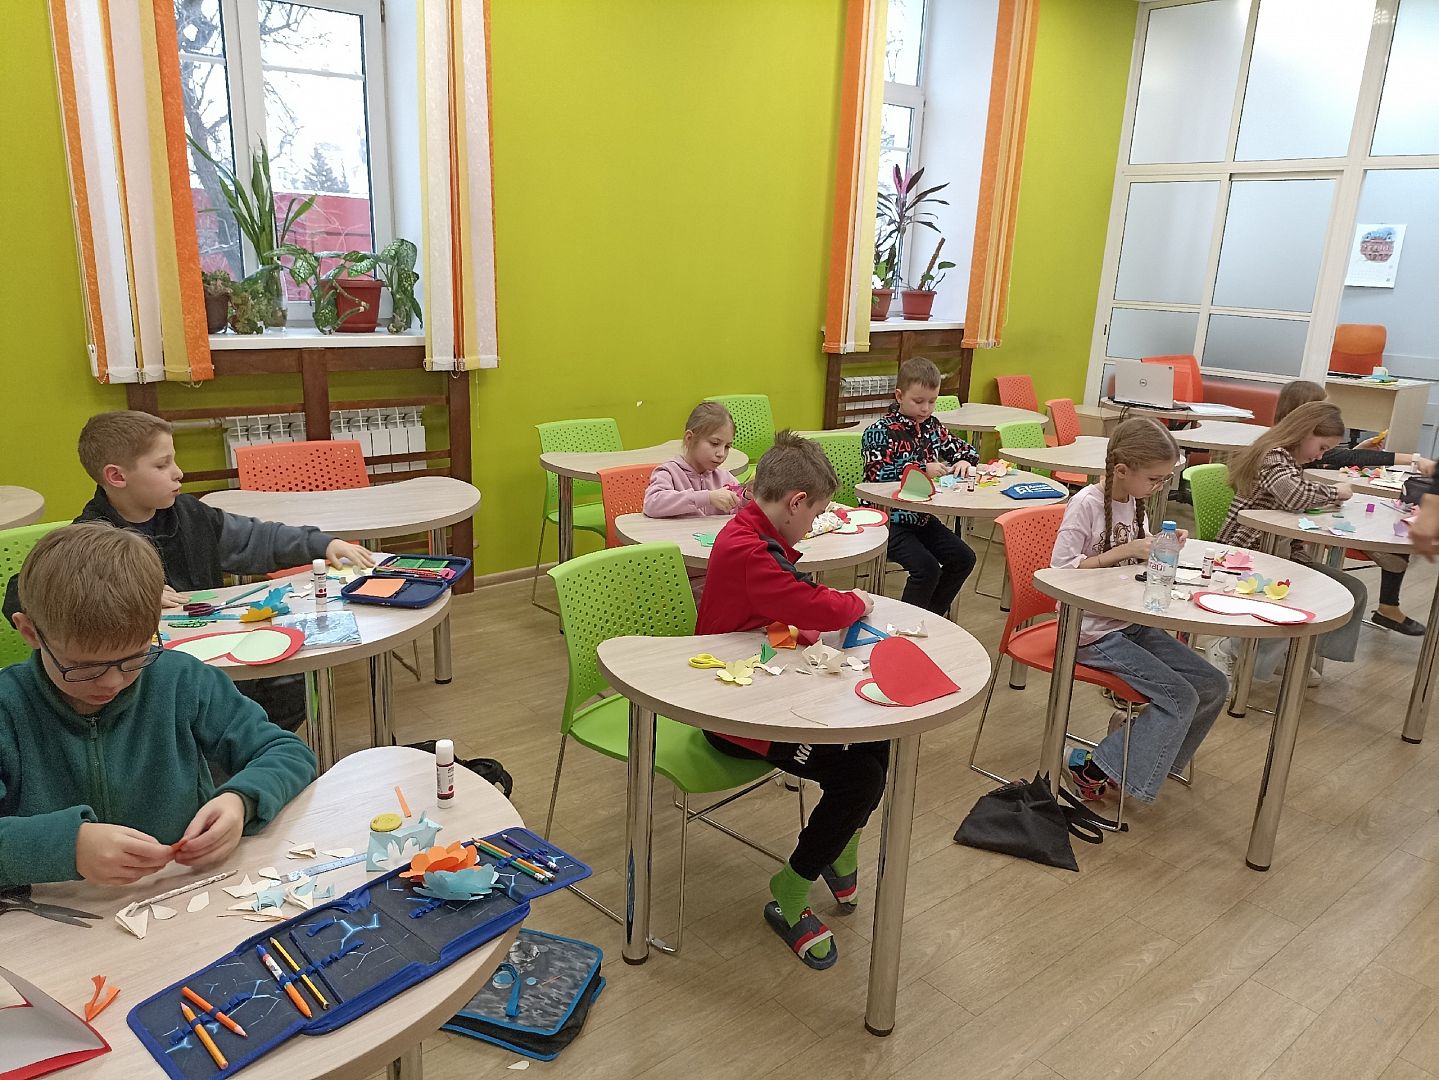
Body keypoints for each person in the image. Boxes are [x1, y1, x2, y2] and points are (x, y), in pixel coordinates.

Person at [2, 411, 376, 730]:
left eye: (174, 461)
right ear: (117, 477)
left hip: (217, 657)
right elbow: (21, 594)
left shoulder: (191, 515)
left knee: (287, 684)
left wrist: (321, 544)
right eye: (161, 465)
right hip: (146, 676)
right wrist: (130, 593)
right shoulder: (88, 539)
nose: (178, 473)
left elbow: (256, 538)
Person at [0, 523, 316, 889]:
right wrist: (67, 847)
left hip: (181, 892)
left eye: (133, 658)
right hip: (52, 907)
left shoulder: (181, 679)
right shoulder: (8, 707)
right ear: (30, 632)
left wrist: (240, 800)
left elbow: (288, 752)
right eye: (85, 667)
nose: (112, 682)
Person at [697, 431, 878, 970]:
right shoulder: (749, 548)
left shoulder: (754, 531)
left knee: (877, 739)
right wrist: (854, 601)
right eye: (817, 513)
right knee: (859, 776)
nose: (815, 523)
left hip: (766, 688)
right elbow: (808, 602)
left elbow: (777, 611)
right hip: (733, 716)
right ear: (796, 502)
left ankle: (837, 845)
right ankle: (792, 888)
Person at [1051, 417, 1227, 804]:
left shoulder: (1133, 503)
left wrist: (1163, 542)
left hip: (1127, 622)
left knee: (1213, 686)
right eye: (1154, 479)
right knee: (1180, 698)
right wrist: (1125, 551)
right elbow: (1059, 571)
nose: (1159, 486)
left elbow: (1138, 554)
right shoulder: (1085, 504)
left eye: (1164, 479)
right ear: (1121, 470)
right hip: (1089, 631)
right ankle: (1094, 769)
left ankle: (1134, 754)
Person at [1211, 401, 1369, 682]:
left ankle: (1287, 653)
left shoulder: (1290, 463)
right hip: (1246, 555)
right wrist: (1335, 493)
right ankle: (1230, 649)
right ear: (1304, 432)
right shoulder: (1273, 456)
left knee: (1351, 590)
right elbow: (1294, 496)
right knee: (1294, 597)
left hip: (1280, 553)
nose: (1321, 455)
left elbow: (1296, 498)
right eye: (1321, 447)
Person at [1272, 381, 1433, 634]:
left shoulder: (1298, 451)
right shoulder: (1278, 455)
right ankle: (1373, 550)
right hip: (1285, 536)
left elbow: (1338, 457)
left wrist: (1355, 452)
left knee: (1357, 579)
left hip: (1301, 525)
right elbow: (1300, 491)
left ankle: (1382, 591)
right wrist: (1413, 459)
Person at [861, 357, 978, 615]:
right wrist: (921, 469)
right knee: (927, 569)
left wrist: (963, 460)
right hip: (888, 519)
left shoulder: (933, 427)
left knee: (963, 558)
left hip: (921, 517)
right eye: (918, 401)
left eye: (932, 401)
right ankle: (906, 625)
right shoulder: (879, 432)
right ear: (899, 396)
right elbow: (876, 476)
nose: (926, 408)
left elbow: (967, 451)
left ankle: (931, 616)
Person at [643, 401, 750, 518]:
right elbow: (652, 504)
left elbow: (742, 514)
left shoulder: (725, 478)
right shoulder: (669, 473)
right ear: (689, 438)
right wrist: (707, 497)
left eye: (727, 446)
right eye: (714, 443)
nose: (721, 453)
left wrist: (747, 497)